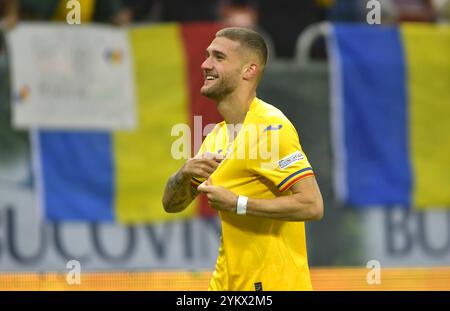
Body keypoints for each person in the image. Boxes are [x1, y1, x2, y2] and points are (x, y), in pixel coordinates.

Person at [162, 27, 323, 291]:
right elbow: (172, 205)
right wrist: (184, 174)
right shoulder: (216, 136)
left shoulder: (271, 127)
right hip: (226, 286)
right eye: (207, 56)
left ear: (249, 70)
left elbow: (312, 205)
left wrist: (238, 203)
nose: (205, 64)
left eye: (219, 57)